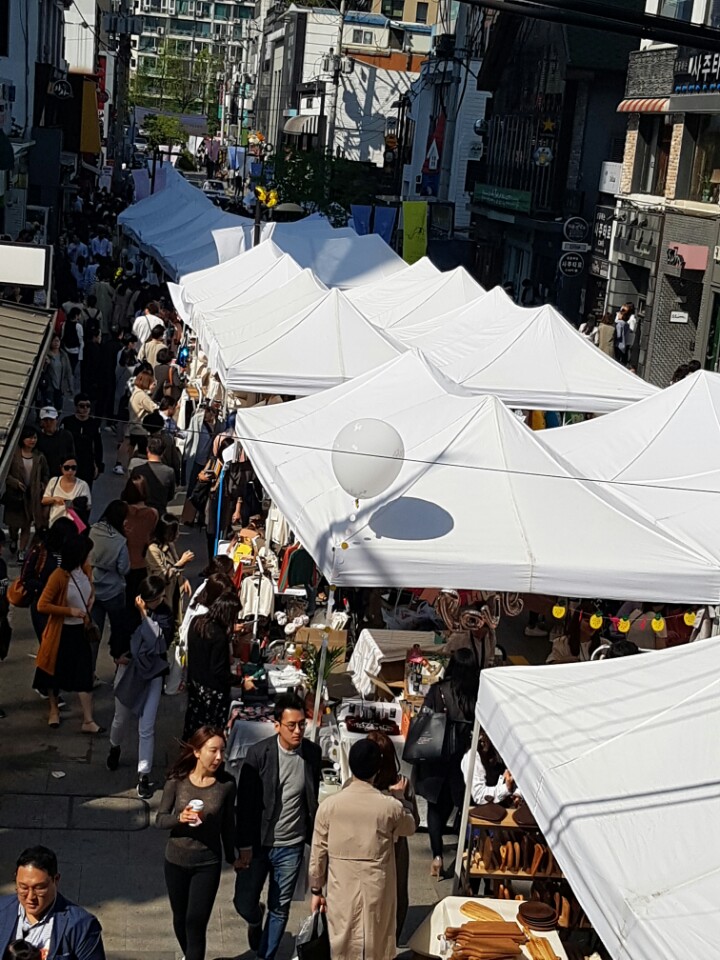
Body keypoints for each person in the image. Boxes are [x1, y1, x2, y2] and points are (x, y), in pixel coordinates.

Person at [309, 738, 417, 960]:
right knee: (376, 946)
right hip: (377, 889)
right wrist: (400, 798)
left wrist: (316, 890)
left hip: (342, 890)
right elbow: (410, 827)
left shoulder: (329, 806)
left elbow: (318, 854)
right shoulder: (389, 807)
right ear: (377, 769)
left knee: (342, 946)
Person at [233, 692, 322, 959]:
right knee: (244, 902)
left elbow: (311, 798)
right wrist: (244, 845)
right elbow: (245, 804)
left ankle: (265, 956)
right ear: (277, 725)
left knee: (280, 907)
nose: (297, 731)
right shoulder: (259, 754)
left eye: (301, 725)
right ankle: (253, 919)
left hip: (291, 846)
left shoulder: (312, 754)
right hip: (258, 844)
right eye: (291, 725)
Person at [155, 727, 236, 960]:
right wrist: (179, 818)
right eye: (213, 750)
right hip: (176, 860)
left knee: (195, 923)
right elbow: (160, 820)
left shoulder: (226, 785)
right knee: (180, 920)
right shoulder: (177, 780)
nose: (219, 757)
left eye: (222, 751)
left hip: (207, 863)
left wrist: (233, 857)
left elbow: (228, 825)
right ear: (198, 751)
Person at [414, 647, 480, 878]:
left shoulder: (438, 690)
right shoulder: (476, 695)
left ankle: (437, 856)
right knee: (461, 804)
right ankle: (468, 854)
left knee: (434, 806)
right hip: (463, 758)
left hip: (436, 756)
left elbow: (424, 718)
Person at [107, 576, 174, 799]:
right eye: (157, 598)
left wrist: (145, 614)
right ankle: (114, 745)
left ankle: (143, 774)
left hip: (153, 672)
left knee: (147, 725)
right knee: (121, 717)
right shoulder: (126, 613)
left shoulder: (164, 613)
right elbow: (116, 637)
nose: (162, 601)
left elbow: (160, 641)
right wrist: (117, 656)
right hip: (130, 671)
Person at [34, 534, 103, 732]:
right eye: (88, 553)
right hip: (61, 632)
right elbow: (42, 605)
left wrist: (91, 599)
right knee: (52, 673)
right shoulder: (58, 576)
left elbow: (90, 589)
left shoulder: (85, 570)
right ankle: (54, 710)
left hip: (80, 630)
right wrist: (69, 611)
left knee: (84, 673)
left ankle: (88, 720)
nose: (90, 557)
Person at [0, 846, 105, 959]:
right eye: (23, 887)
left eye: (39, 888)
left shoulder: (81, 925)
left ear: (56, 880)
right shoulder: (2, 911)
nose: (30, 897)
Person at [367, 730, 420, 943]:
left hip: (395, 849)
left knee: (397, 895)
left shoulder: (403, 783)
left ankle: (392, 938)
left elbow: (413, 821)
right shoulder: (361, 785)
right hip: (372, 847)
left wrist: (400, 798)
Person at [183, 593, 238, 740]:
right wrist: (240, 681)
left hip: (195, 685)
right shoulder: (218, 635)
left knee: (194, 727)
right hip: (212, 693)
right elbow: (219, 670)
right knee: (210, 733)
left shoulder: (197, 622)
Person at [88, 501, 130, 664]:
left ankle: (89, 672)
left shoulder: (94, 530)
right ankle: (118, 656)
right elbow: (124, 568)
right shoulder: (120, 541)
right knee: (118, 628)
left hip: (93, 587)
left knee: (93, 633)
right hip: (113, 591)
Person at [3, 427, 49, 561]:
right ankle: (13, 539)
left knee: (27, 524)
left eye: (34, 438)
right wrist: (15, 483)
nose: (32, 440)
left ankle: (22, 550)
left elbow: (45, 474)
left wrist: (42, 485)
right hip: (16, 496)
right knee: (13, 524)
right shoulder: (13, 454)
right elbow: (6, 473)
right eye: (30, 437)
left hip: (32, 496)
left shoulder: (39, 456)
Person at [120, 476, 158, 608]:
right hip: (142, 564)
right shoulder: (152, 514)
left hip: (122, 562)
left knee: (122, 604)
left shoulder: (122, 510)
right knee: (138, 604)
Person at [146, 514, 193, 614]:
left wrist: (183, 580)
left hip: (174, 592)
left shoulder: (170, 545)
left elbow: (174, 568)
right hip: (162, 599)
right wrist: (181, 562)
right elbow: (161, 577)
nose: (178, 534)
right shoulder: (153, 550)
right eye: (175, 532)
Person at [61, 394, 104, 488]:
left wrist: (98, 466)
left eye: (88, 406)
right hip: (70, 463)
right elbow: (61, 444)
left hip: (87, 464)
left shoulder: (94, 424)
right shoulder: (67, 422)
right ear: (76, 406)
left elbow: (98, 446)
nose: (85, 409)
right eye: (82, 406)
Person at [41, 456, 91, 528]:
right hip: (54, 522)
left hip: (74, 524)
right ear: (61, 467)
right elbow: (44, 500)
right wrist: (55, 499)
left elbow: (88, 506)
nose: (70, 471)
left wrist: (76, 503)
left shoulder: (83, 485)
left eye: (73, 468)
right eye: (66, 468)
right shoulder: (54, 481)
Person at [130, 435, 176, 514]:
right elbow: (170, 495)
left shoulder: (137, 470)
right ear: (163, 452)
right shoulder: (169, 472)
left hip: (139, 512)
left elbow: (130, 492)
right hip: (159, 512)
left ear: (147, 449)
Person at [460, 728, 505, 805]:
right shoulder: (472, 757)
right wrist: (506, 788)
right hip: (481, 811)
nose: (481, 740)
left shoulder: (498, 752)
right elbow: (480, 795)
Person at [35, 407, 75, 479]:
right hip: (43, 477)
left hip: (62, 477)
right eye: (45, 420)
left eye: (51, 420)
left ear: (57, 420)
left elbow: (72, 456)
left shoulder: (66, 435)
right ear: (41, 422)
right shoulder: (37, 437)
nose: (48, 423)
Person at [44, 335, 74, 411]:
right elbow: (42, 371)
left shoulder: (63, 355)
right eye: (54, 341)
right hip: (49, 386)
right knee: (49, 407)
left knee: (59, 406)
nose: (56, 343)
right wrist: (46, 364)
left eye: (58, 341)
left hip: (60, 386)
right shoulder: (47, 355)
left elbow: (68, 371)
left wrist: (70, 386)